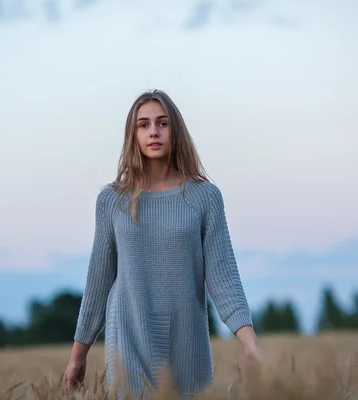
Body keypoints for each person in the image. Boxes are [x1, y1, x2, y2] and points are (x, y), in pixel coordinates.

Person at [63, 89, 263, 398]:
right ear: (133, 135)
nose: (153, 132)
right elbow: (98, 281)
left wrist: (251, 345)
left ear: (176, 130)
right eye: (143, 125)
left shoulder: (205, 198)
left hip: (186, 342)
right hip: (127, 337)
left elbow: (224, 279)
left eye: (162, 123)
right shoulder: (112, 201)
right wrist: (78, 357)